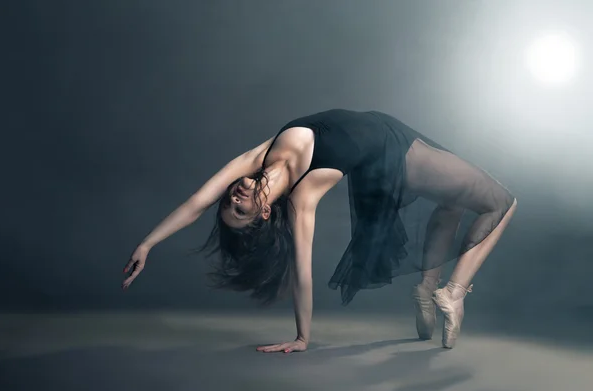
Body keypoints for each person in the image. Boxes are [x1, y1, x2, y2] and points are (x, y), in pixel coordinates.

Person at [122, 109, 517, 351]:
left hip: (389, 133)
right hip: (397, 153)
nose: (234, 196)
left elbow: (196, 202)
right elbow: (302, 274)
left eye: (228, 200)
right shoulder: (302, 199)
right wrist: (301, 337)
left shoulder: (257, 156)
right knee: (502, 201)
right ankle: (454, 292)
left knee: (453, 201)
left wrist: (148, 242)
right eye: (238, 209)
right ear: (261, 215)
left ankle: (428, 291)